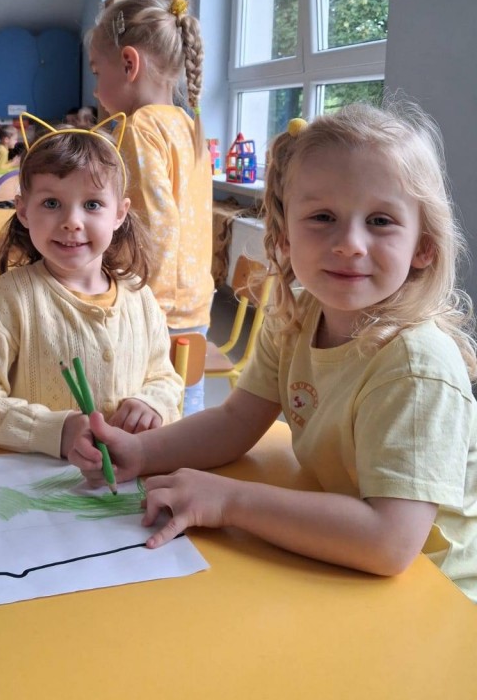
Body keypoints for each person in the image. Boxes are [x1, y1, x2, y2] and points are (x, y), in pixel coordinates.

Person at [71, 101, 477, 599]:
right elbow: (236, 420)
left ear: (424, 246)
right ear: (284, 237)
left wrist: (229, 501)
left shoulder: (416, 365)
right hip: (337, 556)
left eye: (380, 220)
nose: (349, 243)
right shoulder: (297, 316)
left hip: (435, 594)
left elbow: (390, 542)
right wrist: (141, 451)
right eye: (323, 217)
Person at [0, 114, 183, 459]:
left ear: (119, 214)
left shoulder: (141, 298)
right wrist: (54, 431)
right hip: (34, 480)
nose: (72, 222)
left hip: (126, 479)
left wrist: (152, 403)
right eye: (52, 203)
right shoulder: (12, 298)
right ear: (23, 211)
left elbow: (166, 379)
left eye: (92, 204)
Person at [87, 0, 213, 415]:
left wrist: (122, 296)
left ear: (128, 63)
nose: (95, 88)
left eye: (97, 71)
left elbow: (156, 227)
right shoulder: (188, 124)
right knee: (184, 412)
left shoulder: (139, 127)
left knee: (140, 415)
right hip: (194, 304)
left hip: (154, 309)